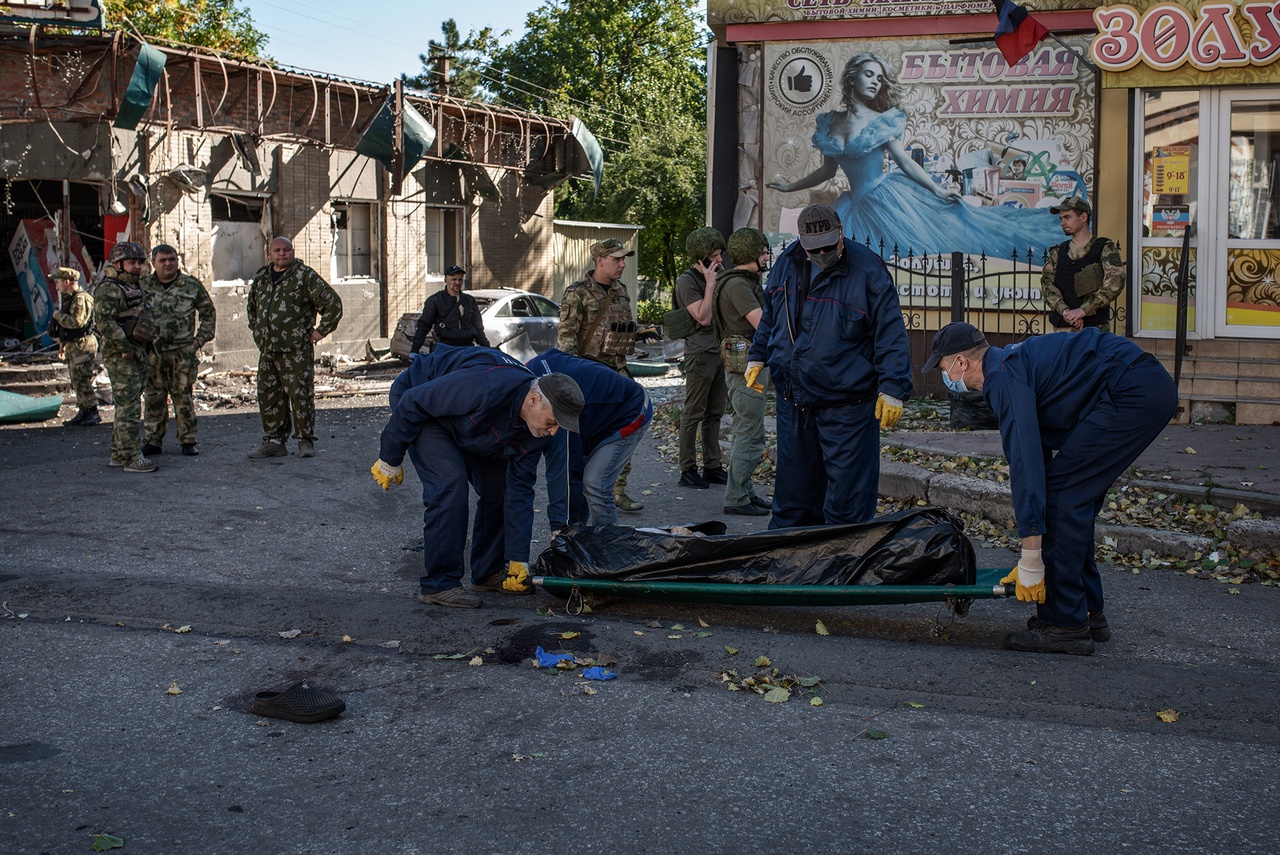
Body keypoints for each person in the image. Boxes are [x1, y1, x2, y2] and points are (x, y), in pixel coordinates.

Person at [923, 322, 1177, 655]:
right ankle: (1085, 610)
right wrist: (1035, 543)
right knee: (1071, 497)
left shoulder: (1003, 378)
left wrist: (1031, 558)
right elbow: (1038, 460)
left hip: (1131, 389)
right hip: (1138, 385)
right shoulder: (1009, 365)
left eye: (942, 368)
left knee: (1063, 497)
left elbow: (1025, 466)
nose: (945, 379)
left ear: (961, 362)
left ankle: (1066, 626)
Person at [766, 52, 1062, 259]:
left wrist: (937, 188)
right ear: (852, 78)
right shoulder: (829, 123)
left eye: (879, 79)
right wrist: (790, 186)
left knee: (922, 249)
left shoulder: (882, 120)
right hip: (853, 207)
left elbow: (904, 162)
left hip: (886, 200)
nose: (875, 82)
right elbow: (828, 172)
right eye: (869, 75)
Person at [371, 345, 584, 608]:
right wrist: (390, 457)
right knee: (450, 483)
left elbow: (520, 489)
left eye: (558, 427)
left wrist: (517, 558)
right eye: (552, 422)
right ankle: (439, 584)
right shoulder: (486, 385)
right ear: (534, 400)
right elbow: (415, 401)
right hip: (421, 402)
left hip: (470, 422)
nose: (553, 432)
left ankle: (487, 572)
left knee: (500, 488)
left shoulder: (536, 430)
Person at [746, 204, 911, 527]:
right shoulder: (787, 264)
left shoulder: (868, 270)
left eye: (828, 246)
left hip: (847, 403)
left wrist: (893, 386)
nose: (822, 253)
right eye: (814, 249)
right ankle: (787, 558)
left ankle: (843, 561)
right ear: (802, 242)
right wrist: (758, 354)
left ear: (841, 234)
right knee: (793, 492)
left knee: (848, 497)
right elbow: (771, 315)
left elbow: (890, 331)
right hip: (794, 398)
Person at [557, 237, 642, 511]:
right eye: (617, 259)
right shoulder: (577, 293)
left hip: (617, 373)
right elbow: (566, 339)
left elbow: (623, 327)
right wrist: (571, 381)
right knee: (587, 436)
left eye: (623, 259)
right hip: (590, 375)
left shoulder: (621, 291)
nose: (622, 264)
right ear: (599, 260)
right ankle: (582, 493)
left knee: (627, 428)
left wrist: (642, 333)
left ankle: (617, 489)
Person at [528, 348, 652, 529]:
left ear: (535, 399)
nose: (551, 430)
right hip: (596, 411)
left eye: (551, 423)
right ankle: (583, 540)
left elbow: (565, 471)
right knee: (582, 481)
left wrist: (561, 529)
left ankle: (610, 548)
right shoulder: (531, 376)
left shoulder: (558, 407)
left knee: (595, 484)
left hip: (631, 410)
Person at [245, 237, 343, 459]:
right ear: (269, 253)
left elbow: (333, 304)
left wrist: (320, 332)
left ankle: (305, 441)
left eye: (287, 250)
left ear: (292, 251)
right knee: (268, 395)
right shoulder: (262, 277)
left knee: (300, 395)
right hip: (268, 350)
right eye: (277, 250)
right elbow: (252, 307)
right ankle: (274, 441)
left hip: (296, 351)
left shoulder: (304, 276)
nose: (282, 254)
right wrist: (258, 329)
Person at [711, 228, 773, 517]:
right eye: (762, 252)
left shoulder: (739, 282)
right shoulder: (738, 286)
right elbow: (763, 325)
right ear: (751, 255)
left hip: (745, 367)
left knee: (745, 430)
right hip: (746, 368)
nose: (766, 256)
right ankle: (736, 498)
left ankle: (744, 490)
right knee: (750, 432)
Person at [141, 244, 216, 457]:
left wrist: (197, 342)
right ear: (153, 263)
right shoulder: (143, 287)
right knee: (153, 397)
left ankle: (188, 440)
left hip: (182, 352)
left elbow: (208, 313)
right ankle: (153, 440)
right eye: (163, 260)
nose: (168, 264)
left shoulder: (190, 286)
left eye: (172, 259)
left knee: (183, 397)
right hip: (153, 352)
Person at [93, 242, 156, 473]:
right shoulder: (108, 288)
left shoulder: (134, 286)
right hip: (121, 354)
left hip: (136, 350)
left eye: (139, 263)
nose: (137, 267)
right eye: (132, 263)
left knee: (125, 404)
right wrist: (125, 346)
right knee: (129, 406)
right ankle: (131, 457)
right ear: (118, 264)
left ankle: (118, 453)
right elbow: (106, 324)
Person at [672, 227, 728, 489]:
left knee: (715, 413)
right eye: (714, 256)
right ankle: (688, 468)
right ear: (701, 258)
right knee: (693, 412)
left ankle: (713, 466)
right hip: (699, 354)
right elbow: (703, 316)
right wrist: (709, 284)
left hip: (719, 352)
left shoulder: (718, 275)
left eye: (720, 255)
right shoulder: (687, 282)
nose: (719, 260)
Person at [1040, 197, 1125, 332]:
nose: (1062, 223)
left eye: (1067, 217)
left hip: (1094, 330)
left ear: (1083, 217)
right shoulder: (1058, 252)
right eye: (1061, 218)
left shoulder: (1103, 248)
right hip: (1062, 330)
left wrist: (1083, 310)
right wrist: (1066, 311)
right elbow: (1047, 285)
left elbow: (1115, 281)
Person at [48, 267, 100, 427]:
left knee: (83, 379)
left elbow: (78, 322)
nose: (57, 285)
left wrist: (58, 316)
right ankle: (84, 410)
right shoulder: (70, 298)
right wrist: (62, 345)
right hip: (73, 344)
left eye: (58, 281)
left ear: (67, 282)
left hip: (82, 344)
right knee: (76, 380)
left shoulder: (81, 299)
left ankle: (92, 412)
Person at [408, 264, 490, 353]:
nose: (457, 283)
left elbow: (478, 328)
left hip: (467, 349)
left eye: (460, 279)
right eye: (454, 279)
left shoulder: (469, 301)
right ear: (446, 280)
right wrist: (414, 350)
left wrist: (487, 348)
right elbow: (423, 326)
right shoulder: (435, 301)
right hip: (445, 350)